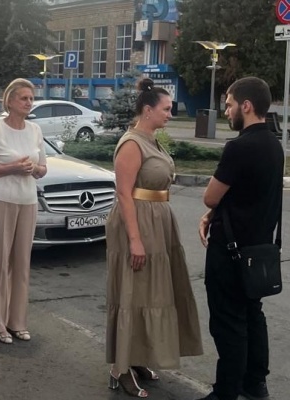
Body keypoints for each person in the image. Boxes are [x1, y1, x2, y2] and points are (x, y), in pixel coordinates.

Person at [105, 78, 203, 398]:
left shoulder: (152, 140)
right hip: (137, 223)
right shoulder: (132, 143)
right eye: (166, 109)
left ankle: (137, 358)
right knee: (131, 294)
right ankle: (120, 368)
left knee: (149, 294)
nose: (170, 114)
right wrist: (135, 239)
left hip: (157, 223)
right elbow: (124, 193)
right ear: (148, 110)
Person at [197, 77, 283, 400]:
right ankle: (255, 383)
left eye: (230, 104)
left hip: (230, 253)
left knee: (228, 323)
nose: (227, 111)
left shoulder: (238, 147)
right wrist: (214, 213)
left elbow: (210, 196)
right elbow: (251, 194)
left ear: (246, 106)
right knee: (252, 316)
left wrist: (211, 211)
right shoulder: (275, 145)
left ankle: (226, 392)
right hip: (260, 251)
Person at [0, 78, 47, 344]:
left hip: (28, 201)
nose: (29, 102)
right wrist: (11, 168)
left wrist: (33, 169)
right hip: (1, 200)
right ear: (10, 101)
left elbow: (43, 168)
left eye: (31, 98)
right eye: (23, 98)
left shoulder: (35, 130)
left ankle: (17, 321)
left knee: (22, 263)